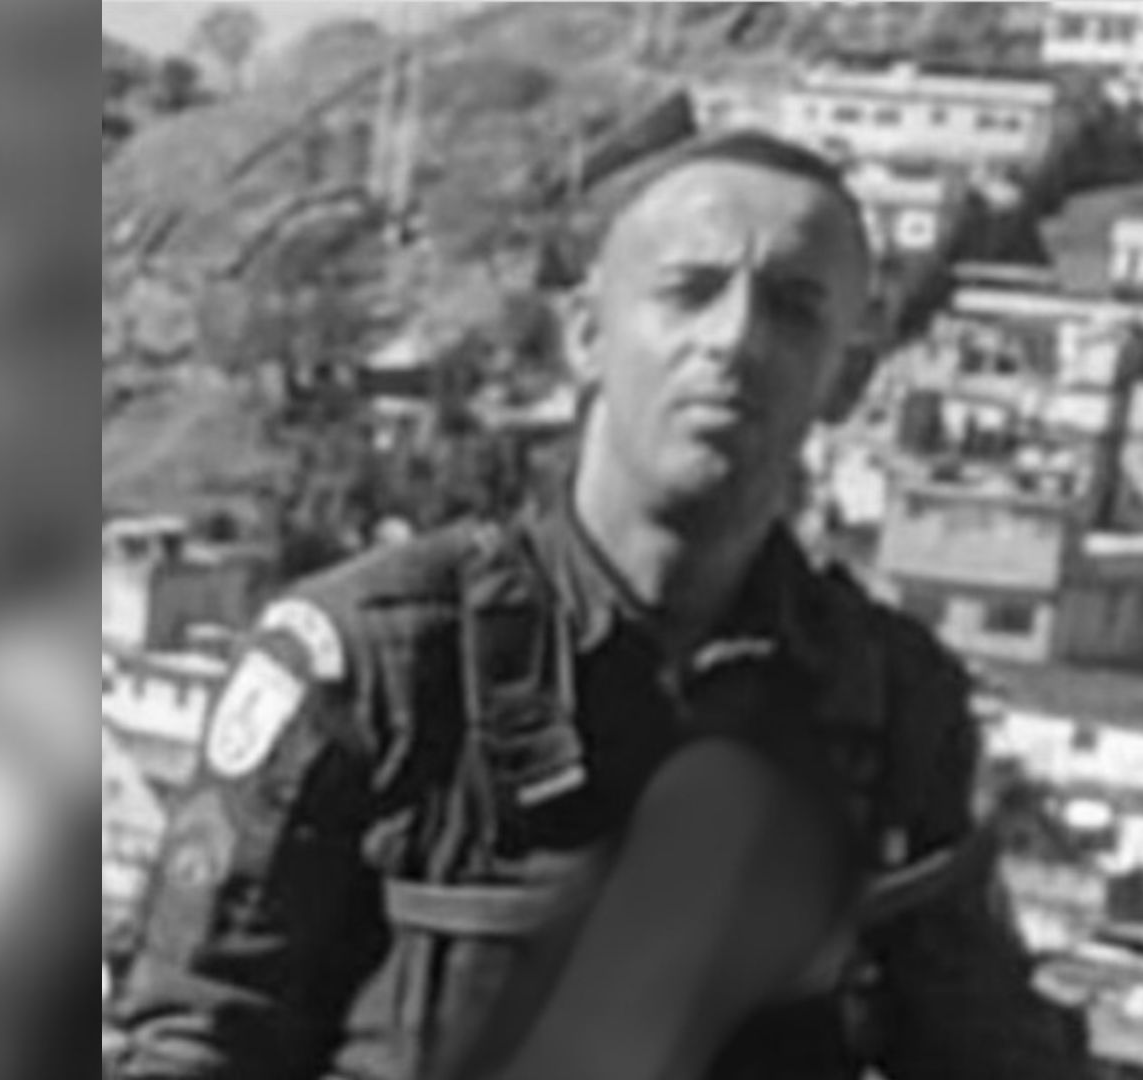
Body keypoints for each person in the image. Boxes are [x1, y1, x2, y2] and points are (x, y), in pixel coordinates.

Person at [108, 131, 1088, 1080]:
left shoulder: (889, 702)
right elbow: (200, 1036)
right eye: (689, 291)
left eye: (793, 309)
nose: (734, 340)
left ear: (852, 376)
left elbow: (985, 1048)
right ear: (587, 334)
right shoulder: (376, 666)